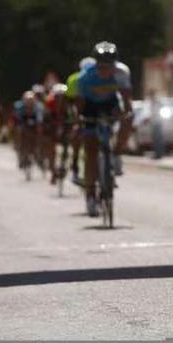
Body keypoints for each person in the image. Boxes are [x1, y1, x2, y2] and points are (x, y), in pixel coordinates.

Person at [75, 42, 131, 217]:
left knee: (128, 118)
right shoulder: (85, 78)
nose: (105, 70)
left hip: (110, 104)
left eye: (109, 66)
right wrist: (80, 120)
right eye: (101, 66)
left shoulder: (122, 73)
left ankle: (116, 154)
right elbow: (80, 106)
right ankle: (90, 194)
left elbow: (126, 99)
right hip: (90, 106)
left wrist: (126, 115)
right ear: (95, 64)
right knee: (91, 151)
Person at [66, 57, 96, 185]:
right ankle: (74, 164)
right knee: (77, 136)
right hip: (77, 106)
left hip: (93, 106)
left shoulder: (99, 78)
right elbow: (70, 102)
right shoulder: (74, 79)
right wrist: (75, 119)